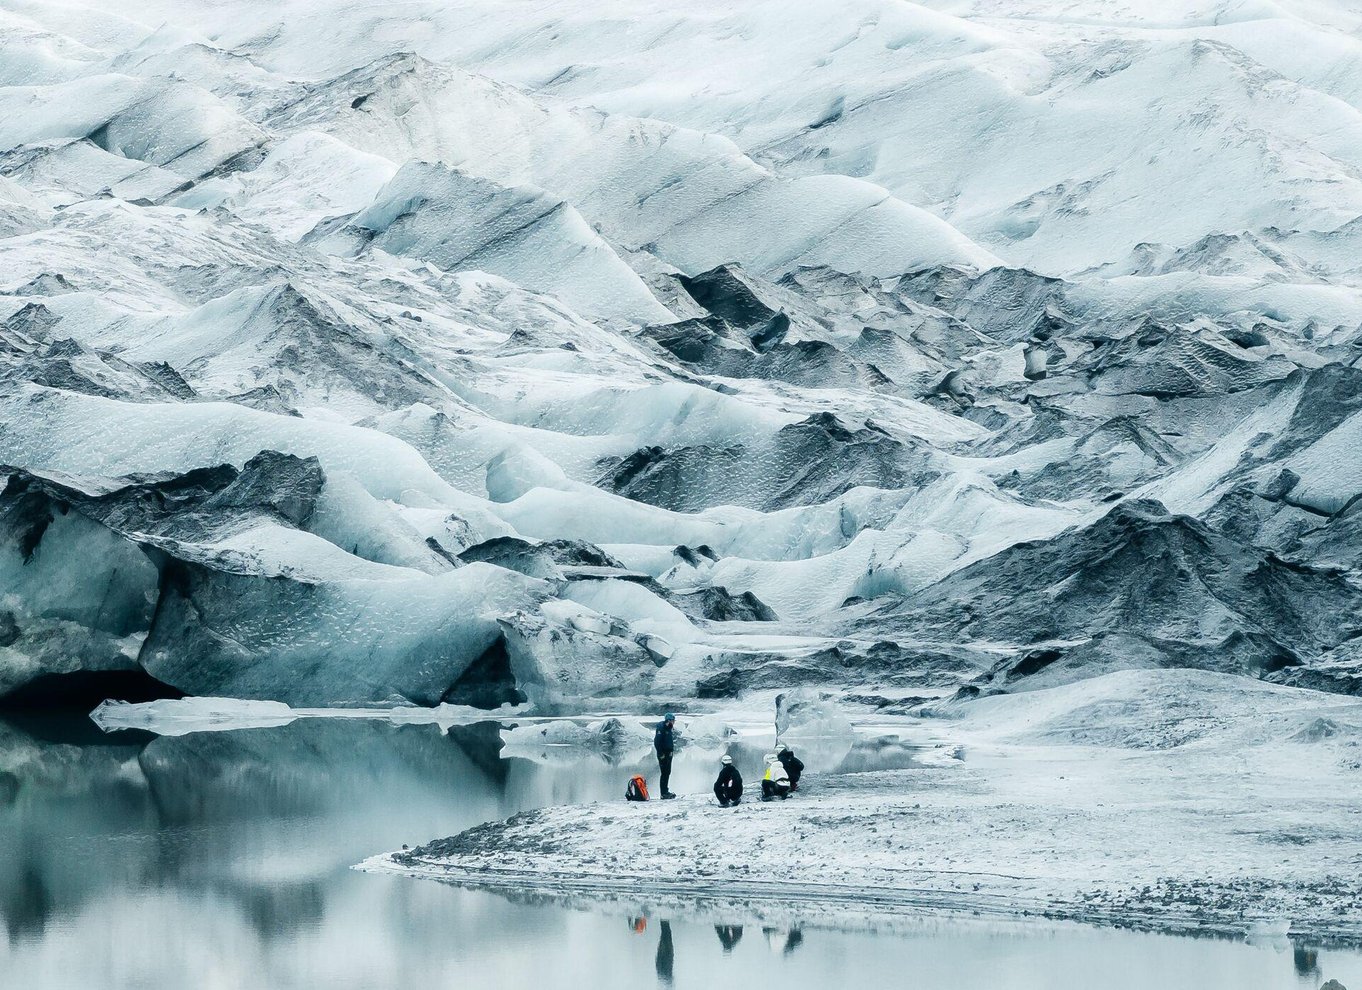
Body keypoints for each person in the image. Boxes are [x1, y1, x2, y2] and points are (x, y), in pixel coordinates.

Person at [654, 712, 677, 799]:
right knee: (664, 773)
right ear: (669, 720)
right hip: (663, 754)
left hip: (668, 754)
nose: (674, 722)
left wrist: (671, 751)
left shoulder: (668, 728)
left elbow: (669, 742)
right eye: (673, 720)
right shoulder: (661, 728)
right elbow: (657, 742)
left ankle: (666, 791)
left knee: (667, 772)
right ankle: (663, 793)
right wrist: (661, 754)